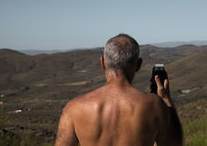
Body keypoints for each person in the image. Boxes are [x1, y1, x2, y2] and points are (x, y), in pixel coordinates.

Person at [54, 34, 183, 146]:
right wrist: (167, 100)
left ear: (103, 63)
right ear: (138, 65)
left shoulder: (74, 108)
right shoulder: (155, 105)